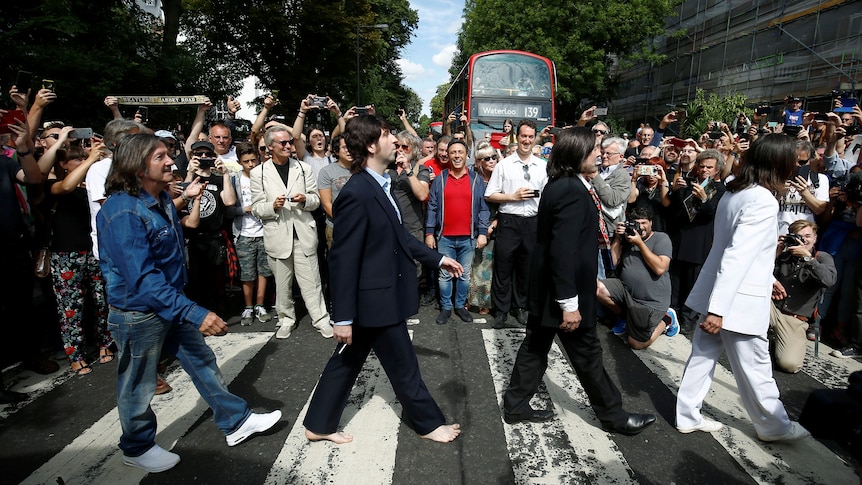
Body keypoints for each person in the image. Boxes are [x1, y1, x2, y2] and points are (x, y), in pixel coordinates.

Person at [97, 133, 281, 473]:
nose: (171, 162)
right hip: (139, 313)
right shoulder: (121, 212)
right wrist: (194, 311)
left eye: (168, 155)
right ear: (137, 167)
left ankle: (235, 422)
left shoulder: (163, 199)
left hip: (170, 303)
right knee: (138, 384)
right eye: (160, 157)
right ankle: (136, 447)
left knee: (202, 362)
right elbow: (142, 280)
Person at [303, 114, 463, 445]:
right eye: (389, 135)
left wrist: (439, 259)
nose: (396, 142)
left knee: (346, 361)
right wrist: (342, 317)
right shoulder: (357, 192)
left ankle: (319, 424)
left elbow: (399, 238)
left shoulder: (381, 182)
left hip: (374, 296)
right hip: (375, 298)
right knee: (404, 366)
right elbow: (343, 259)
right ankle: (428, 423)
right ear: (373, 145)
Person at [501, 127, 656, 435]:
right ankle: (614, 416)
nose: (599, 154)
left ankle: (515, 405)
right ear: (576, 155)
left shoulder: (563, 183)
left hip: (553, 289)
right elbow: (563, 251)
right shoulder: (571, 189)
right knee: (586, 355)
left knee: (535, 347)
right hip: (563, 294)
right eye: (593, 150)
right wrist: (569, 303)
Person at [675, 134, 810, 442]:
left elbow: (738, 252)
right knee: (756, 366)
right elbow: (736, 255)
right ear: (779, 163)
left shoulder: (736, 191)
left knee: (702, 356)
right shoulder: (762, 199)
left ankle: (687, 415)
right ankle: (774, 426)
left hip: (724, 291)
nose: (795, 164)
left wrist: (766, 277)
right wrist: (718, 310)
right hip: (735, 300)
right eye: (792, 158)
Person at [251, 126, 333, 339]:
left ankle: (321, 319)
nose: (288, 146)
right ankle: (286, 319)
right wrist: (272, 206)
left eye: (289, 142)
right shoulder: (258, 172)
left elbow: (316, 200)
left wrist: (305, 199)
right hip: (278, 235)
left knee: (312, 281)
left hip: (303, 232)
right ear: (270, 147)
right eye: (283, 143)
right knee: (282, 283)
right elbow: (257, 207)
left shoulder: (303, 168)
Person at [47, 143, 115, 375]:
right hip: (66, 255)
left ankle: (105, 344)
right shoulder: (53, 185)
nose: (82, 162)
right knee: (71, 309)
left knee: (101, 302)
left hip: (93, 251)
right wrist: (90, 159)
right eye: (76, 159)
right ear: (63, 164)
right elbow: (65, 187)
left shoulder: (91, 185)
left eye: (83, 158)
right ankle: (75, 356)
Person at [484, 120, 548, 328]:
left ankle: (520, 307)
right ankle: (501, 310)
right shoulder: (503, 165)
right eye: (523, 136)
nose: (526, 140)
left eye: (530, 137)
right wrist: (513, 196)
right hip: (509, 221)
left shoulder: (542, 166)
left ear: (534, 138)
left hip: (532, 222)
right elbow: (490, 194)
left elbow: (547, 197)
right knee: (503, 267)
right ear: (517, 137)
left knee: (526, 268)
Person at [425, 140, 490, 324]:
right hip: (444, 237)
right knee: (445, 275)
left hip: (468, 238)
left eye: (460, 152)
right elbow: (432, 207)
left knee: (463, 274)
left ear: (466, 155)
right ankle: (446, 308)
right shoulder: (440, 180)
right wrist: (429, 232)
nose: (456, 156)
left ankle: (459, 306)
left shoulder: (476, 180)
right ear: (448, 155)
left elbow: (484, 209)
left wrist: (483, 232)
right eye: (453, 152)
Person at [597, 207, 678, 349]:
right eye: (636, 223)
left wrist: (640, 243)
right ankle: (624, 317)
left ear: (651, 223)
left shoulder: (661, 238)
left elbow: (660, 268)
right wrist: (617, 237)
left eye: (643, 223)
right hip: (626, 293)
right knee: (598, 288)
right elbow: (614, 263)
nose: (640, 227)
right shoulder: (628, 238)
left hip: (651, 302)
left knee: (636, 343)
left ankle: (667, 318)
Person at [771, 220, 836, 373]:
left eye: (808, 236)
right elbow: (756, 274)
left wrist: (808, 258)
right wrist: (775, 253)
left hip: (795, 319)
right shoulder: (784, 254)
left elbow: (829, 280)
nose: (803, 240)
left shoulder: (822, 258)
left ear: (815, 238)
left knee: (790, 365)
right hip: (771, 309)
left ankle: (779, 342)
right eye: (798, 236)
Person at [227, 142, 273, 326]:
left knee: (264, 271)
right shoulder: (234, 180)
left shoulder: (264, 177)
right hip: (244, 232)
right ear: (239, 162)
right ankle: (247, 307)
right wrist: (243, 209)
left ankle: (260, 305)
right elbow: (228, 210)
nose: (251, 164)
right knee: (247, 273)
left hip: (264, 231)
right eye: (246, 161)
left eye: (254, 160)